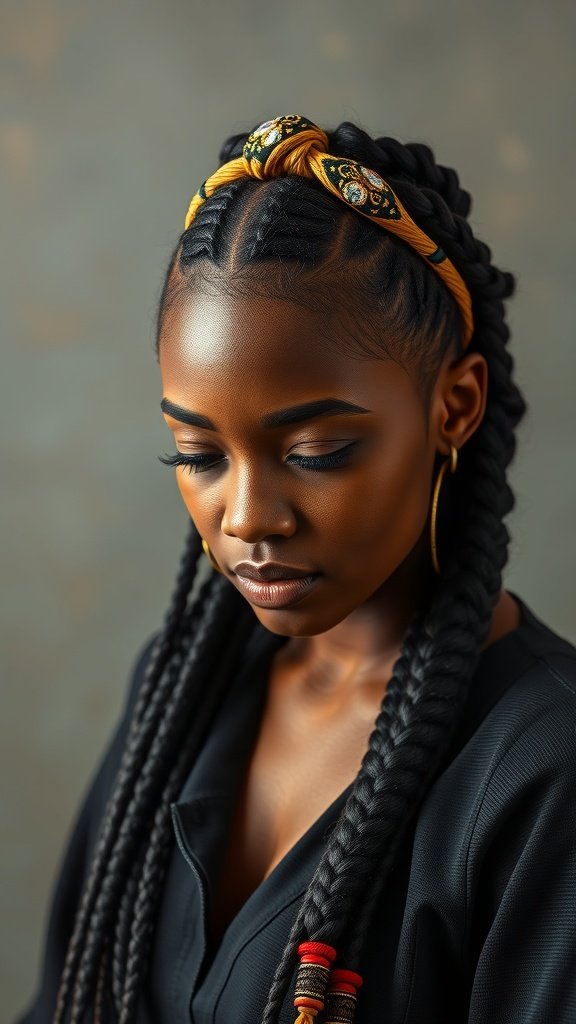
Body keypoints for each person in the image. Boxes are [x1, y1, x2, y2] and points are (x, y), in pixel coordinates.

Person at [17, 113, 576, 1024]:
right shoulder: (181, 691)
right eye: (197, 454)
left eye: (316, 451)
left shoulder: (544, 764)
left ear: (455, 406)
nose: (246, 517)